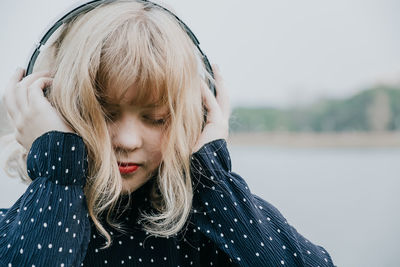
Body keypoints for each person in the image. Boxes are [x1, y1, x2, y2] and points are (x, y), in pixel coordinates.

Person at [0, 1, 336, 266]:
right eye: (104, 113)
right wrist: (60, 172)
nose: (128, 141)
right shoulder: (14, 229)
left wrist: (211, 177)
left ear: (200, 118)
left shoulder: (216, 233)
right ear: (46, 109)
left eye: (157, 119)